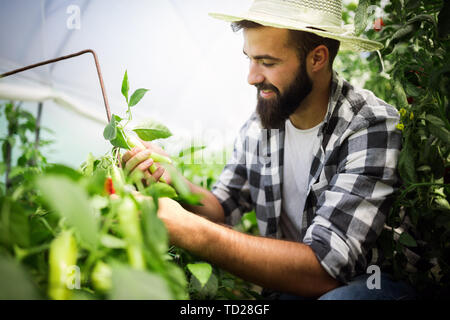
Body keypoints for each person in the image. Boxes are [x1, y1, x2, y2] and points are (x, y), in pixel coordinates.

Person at [122, 0, 416, 300]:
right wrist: (173, 182)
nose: (251, 77)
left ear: (317, 58)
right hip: (294, 286)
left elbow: (326, 270)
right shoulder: (264, 121)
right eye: (249, 59)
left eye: (268, 62)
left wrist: (191, 230)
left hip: (365, 285)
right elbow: (223, 206)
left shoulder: (369, 125)